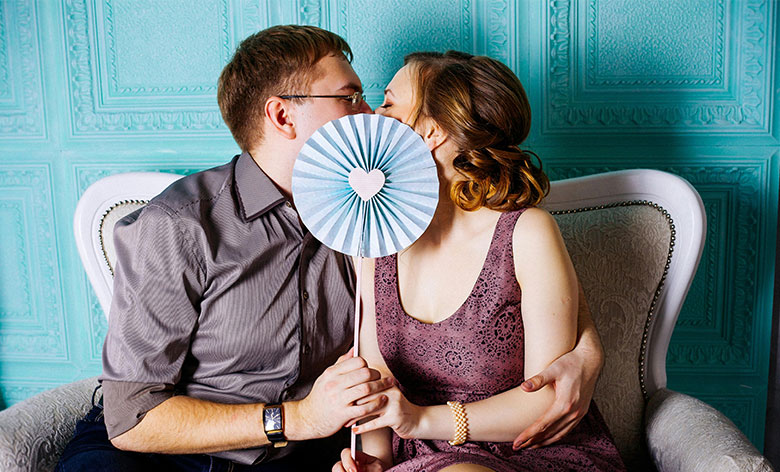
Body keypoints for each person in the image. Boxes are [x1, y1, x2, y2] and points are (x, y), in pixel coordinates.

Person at [55, 25, 604, 471]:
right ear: (282, 115)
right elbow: (131, 418)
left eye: (375, 100)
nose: (367, 114)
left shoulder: (376, 216)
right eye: (350, 97)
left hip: (298, 457)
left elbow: (505, 284)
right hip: (163, 456)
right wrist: (300, 419)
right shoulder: (180, 225)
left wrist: (588, 350)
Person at [333, 52, 626, 472]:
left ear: (431, 131)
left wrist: (421, 420)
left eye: (389, 104)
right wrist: (375, 461)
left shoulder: (526, 233)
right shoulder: (375, 239)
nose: (375, 115)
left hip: (528, 451)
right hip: (419, 458)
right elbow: (376, 376)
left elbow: (547, 397)